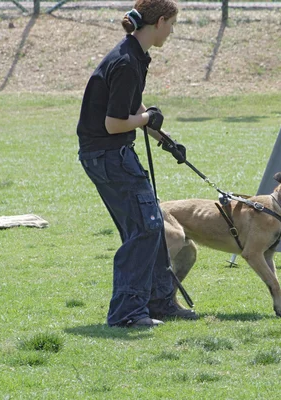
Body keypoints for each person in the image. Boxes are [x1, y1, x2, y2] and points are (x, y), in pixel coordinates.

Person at [76, 0, 196, 327]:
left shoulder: (133, 55)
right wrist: (146, 118)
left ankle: (158, 304)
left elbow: (134, 106)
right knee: (146, 227)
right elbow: (114, 123)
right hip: (109, 155)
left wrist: (164, 139)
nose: (171, 31)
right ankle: (127, 313)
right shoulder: (128, 62)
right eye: (171, 24)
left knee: (149, 225)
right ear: (158, 22)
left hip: (105, 154)